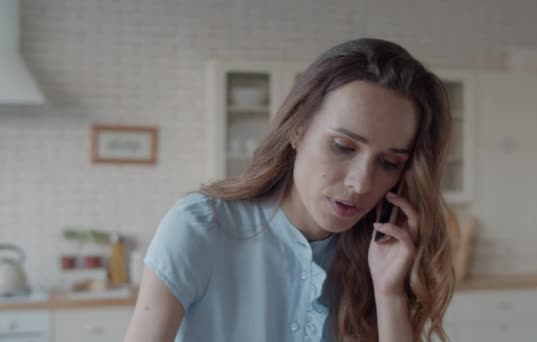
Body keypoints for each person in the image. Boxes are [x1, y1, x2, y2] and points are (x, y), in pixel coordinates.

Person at [124, 37, 454, 342]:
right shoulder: (200, 226)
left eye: (389, 163)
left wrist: (389, 293)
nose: (361, 184)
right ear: (297, 130)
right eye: (343, 146)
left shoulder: (376, 255)